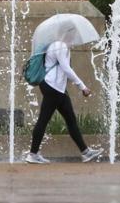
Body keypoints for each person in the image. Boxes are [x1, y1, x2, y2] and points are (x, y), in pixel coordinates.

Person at [25, 32, 103, 164]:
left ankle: (85, 152)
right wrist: (82, 86)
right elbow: (66, 68)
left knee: (71, 119)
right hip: (53, 87)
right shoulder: (59, 46)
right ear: (67, 35)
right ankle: (33, 154)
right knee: (43, 120)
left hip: (57, 88)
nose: (74, 39)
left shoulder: (58, 45)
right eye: (73, 36)